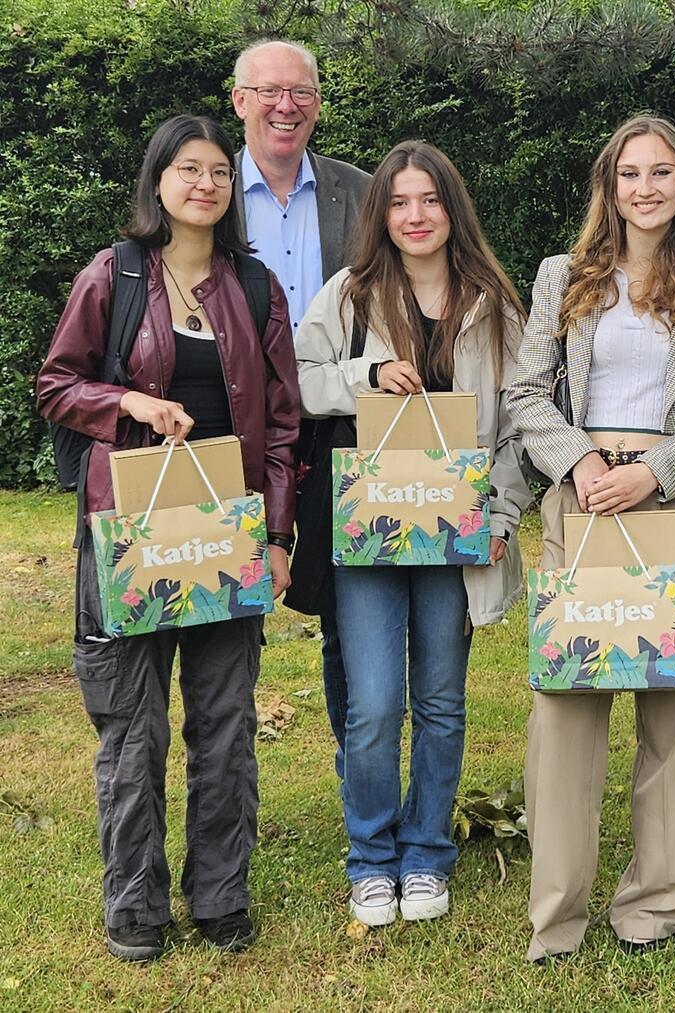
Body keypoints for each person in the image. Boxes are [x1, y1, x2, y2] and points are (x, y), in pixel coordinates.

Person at [36, 114, 300, 961]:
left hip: (226, 536)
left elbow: (285, 426)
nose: (205, 184)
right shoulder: (110, 276)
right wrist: (129, 404)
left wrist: (281, 534)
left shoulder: (257, 289)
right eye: (189, 169)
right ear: (158, 182)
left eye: (220, 172)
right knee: (132, 726)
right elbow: (55, 384)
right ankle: (135, 906)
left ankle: (221, 895)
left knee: (225, 722)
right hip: (131, 536)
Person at [506, 115, 675, 962]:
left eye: (661, 173)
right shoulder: (562, 277)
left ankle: (661, 902)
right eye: (629, 174)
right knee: (566, 710)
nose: (645, 188)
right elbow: (526, 395)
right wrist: (582, 459)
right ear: (609, 187)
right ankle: (556, 912)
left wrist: (659, 470)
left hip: (672, 507)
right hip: (582, 503)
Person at [294, 140, 530, 926]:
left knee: (440, 702)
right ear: (381, 214)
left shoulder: (492, 300)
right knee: (373, 705)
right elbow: (296, 378)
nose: (415, 215)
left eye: (428, 199)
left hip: (454, 536)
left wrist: (499, 512)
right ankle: (371, 854)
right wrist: (363, 374)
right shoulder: (352, 293)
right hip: (371, 532)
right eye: (399, 202)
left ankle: (427, 851)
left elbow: (518, 424)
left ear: (450, 207)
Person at [231, 38, 372, 774]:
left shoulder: (363, 193)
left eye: (302, 92)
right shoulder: (206, 190)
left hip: (334, 428)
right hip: (233, 436)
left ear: (317, 103)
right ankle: (227, 782)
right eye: (269, 91)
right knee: (228, 617)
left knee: (346, 611)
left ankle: (361, 778)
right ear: (240, 101)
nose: (286, 106)